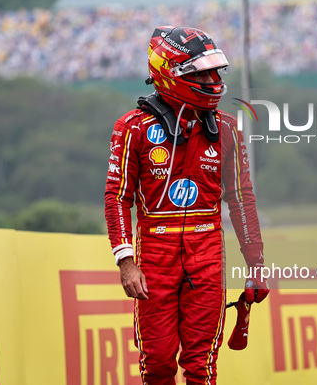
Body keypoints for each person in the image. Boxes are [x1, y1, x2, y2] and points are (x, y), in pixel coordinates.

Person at [104, 26, 269, 385]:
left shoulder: (228, 129)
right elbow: (117, 197)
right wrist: (126, 263)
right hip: (154, 256)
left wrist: (257, 264)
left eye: (214, 71)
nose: (211, 80)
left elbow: (241, 199)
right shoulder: (132, 128)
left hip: (207, 253)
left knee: (201, 365)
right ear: (167, 72)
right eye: (198, 73)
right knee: (159, 363)